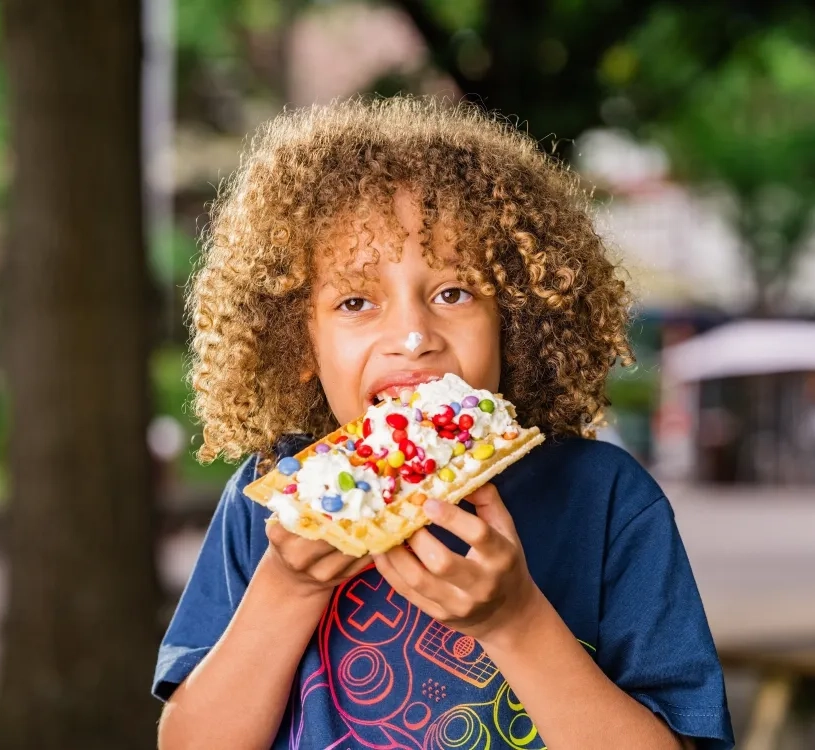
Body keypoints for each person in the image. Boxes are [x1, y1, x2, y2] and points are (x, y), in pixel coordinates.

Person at [153, 98, 734, 749]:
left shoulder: (603, 501)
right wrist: (286, 592)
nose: (412, 336)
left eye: (452, 293)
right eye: (355, 301)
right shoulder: (268, 503)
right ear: (299, 345)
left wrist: (515, 622)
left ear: (514, 319)